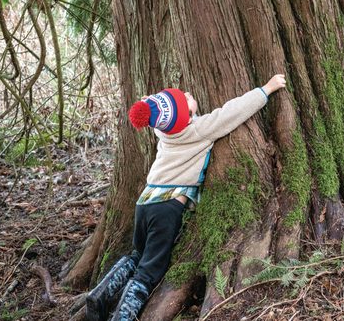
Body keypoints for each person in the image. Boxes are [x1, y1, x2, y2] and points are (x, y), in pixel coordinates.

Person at [86, 74, 287, 321]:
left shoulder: (163, 132)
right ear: (186, 116)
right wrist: (266, 89)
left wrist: (149, 103)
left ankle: (100, 295)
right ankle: (123, 317)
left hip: (145, 202)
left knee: (138, 254)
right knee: (150, 270)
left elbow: (158, 114)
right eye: (185, 99)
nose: (189, 94)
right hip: (166, 208)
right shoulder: (199, 130)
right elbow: (233, 112)